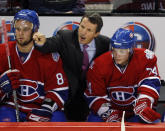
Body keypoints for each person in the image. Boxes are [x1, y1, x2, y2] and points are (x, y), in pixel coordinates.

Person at [33, 12, 110, 121]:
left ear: (96, 33)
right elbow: (49, 44)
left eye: (89, 30)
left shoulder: (105, 43)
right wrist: (41, 43)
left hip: (91, 95)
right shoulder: (65, 37)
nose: (83, 32)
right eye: (82, 27)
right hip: (68, 95)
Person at [0, 9, 69, 122]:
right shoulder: (2, 51)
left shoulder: (48, 55)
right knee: (5, 122)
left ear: (35, 30)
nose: (20, 33)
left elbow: (59, 89)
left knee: (58, 121)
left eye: (26, 29)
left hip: (40, 108)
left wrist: (46, 108)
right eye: (18, 29)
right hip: (11, 107)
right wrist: (1, 88)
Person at [85, 28, 161, 123]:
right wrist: (107, 112)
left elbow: (150, 82)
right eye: (114, 50)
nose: (117, 55)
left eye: (121, 51)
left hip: (136, 112)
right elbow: (95, 95)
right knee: (93, 122)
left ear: (130, 50)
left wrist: (144, 101)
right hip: (111, 109)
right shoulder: (98, 64)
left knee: (153, 123)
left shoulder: (145, 58)